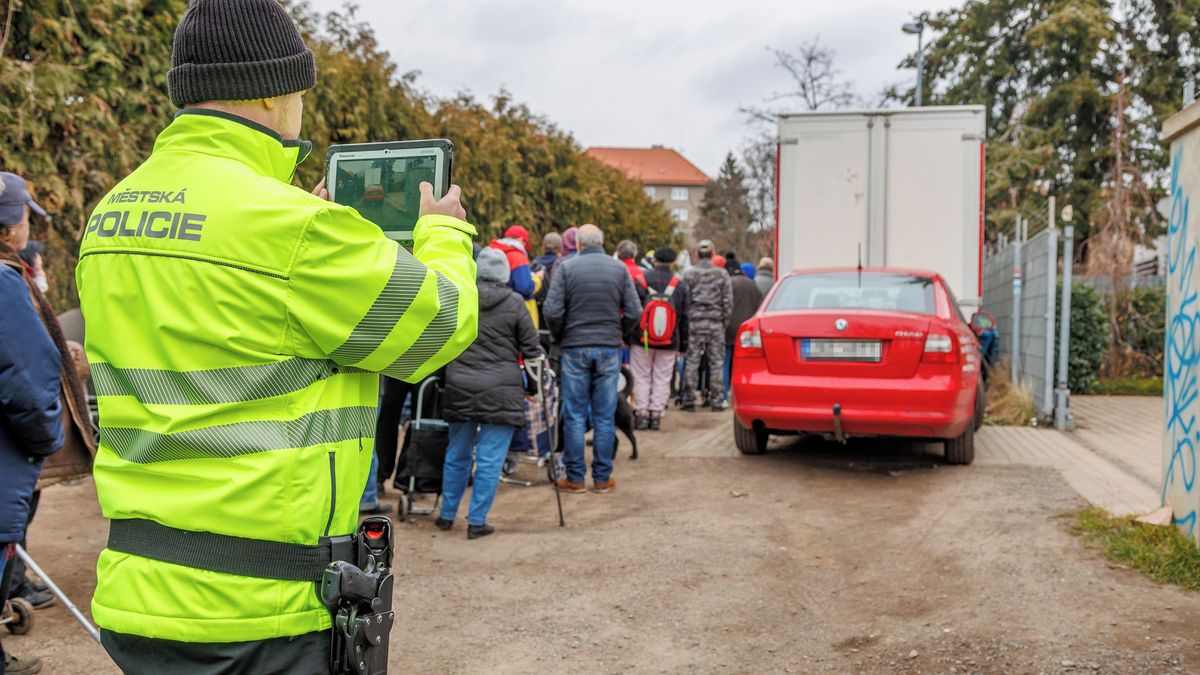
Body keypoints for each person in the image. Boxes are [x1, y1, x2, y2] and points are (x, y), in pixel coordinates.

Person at [75, 1, 479, 670]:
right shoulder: (293, 230)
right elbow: (439, 325)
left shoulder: (111, 214)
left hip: (139, 595)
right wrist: (442, 230)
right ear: (270, 89)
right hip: (261, 610)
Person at [0, 173, 70, 675]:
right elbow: (28, 377)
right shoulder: (4, 285)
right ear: (8, 229)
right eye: (25, 217)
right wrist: (49, 439)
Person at [438, 248, 542, 539]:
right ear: (505, 274)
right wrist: (532, 388)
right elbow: (532, 351)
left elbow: (441, 339)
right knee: (489, 458)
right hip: (502, 390)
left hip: (460, 385)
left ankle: (446, 515)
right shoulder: (515, 303)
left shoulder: (459, 295)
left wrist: (442, 379)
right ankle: (477, 521)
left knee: (456, 453)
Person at [544, 224, 642, 494]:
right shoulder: (619, 269)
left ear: (578, 245)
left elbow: (552, 311)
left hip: (575, 348)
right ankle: (602, 477)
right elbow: (635, 311)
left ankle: (575, 477)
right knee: (604, 415)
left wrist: (562, 335)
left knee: (574, 414)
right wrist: (617, 333)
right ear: (602, 242)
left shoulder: (566, 268)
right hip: (608, 349)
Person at [631, 247, 689, 431]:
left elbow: (632, 310)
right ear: (672, 263)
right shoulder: (679, 285)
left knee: (641, 375)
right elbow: (685, 317)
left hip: (642, 339)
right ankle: (656, 415)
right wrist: (684, 344)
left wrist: (628, 335)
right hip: (670, 340)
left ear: (654, 259)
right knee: (663, 377)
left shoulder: (640, 281)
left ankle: (640, 413)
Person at [681, 240, 732, 412]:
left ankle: (689, 399)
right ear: (713, 254)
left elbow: (684, 300)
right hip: (715, 323)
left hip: (695, 323)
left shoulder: (689, 274)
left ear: (696, 255)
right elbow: (728, 301)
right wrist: (724, 322)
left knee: (692, 361)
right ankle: (717, 400)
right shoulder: (722, 274)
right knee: (717, 362)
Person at [724, 252, 763, 403]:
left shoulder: (729, 283)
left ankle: (723, 396)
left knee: (725, 361)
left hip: (728, 328)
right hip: (747, 331)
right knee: (744, 364)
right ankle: (743, 396)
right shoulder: (753, 285)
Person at [488, 225, 535, 300]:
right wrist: (536, 280)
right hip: (510, 304)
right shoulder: (518, 257)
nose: (525, 246)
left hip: (488, 301)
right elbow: (524, 288)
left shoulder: (490, 251)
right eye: (525, 242)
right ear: (521, 239)